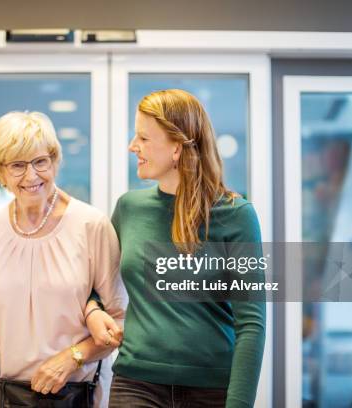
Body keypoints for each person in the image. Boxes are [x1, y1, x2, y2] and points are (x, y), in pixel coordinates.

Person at [85, 89, 266, 408]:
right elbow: (97, 284)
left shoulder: (236, 215)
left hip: (211, 389)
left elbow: (251, 324)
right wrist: (93, 311)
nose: (132, 146)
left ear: (177, 148)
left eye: (143, 138)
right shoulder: (129, 209)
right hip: (135, 384)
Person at [0, 111, 128, 408]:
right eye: (18, 165)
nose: (31, 176)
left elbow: (119, 322)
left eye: (40, 162)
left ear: (54, 161)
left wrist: (73, 357)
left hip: (78, 396)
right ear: (1, 172)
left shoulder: (91, 226)